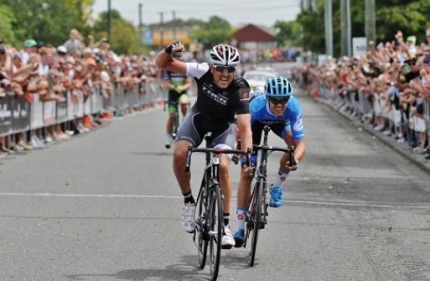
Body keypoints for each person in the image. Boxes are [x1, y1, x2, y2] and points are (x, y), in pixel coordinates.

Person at [155, 42, 253, 249]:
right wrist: (168, 50)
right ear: (212, 67)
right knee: (180, 154)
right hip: (199, 119)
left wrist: (247, 157)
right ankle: (189, 202)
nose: (225, 74)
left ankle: (225, 224)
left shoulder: (241, 87)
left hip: (224, 127)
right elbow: (162, 64)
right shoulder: (201, 71)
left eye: (230, 69)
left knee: (224, 167)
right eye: (220, 68)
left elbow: (245, 128)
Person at [233, 76, 307, 247]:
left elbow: (301, 143)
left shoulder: (293, 107)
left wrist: (294, 158)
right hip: (255, 125)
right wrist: (241, 152)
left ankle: (276, 189)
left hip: (279, 123)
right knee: (247, 172)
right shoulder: (255, 106)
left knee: (292, 149)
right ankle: (239, 228)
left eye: (284, 100)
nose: (280, 105)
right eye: (275, 101)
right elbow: (242, 134)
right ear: (267, 98)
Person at [161, 52, 192, 148]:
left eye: (180, 58)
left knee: (184, 103)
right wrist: (174, 87)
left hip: (182, 92)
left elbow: (188, 83)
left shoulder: (185, 68)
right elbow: (167, 83)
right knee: (171, 116)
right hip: (172, 93)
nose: (179, 60)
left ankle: (184, 119)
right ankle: (168, 137)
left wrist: (182, 88)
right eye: (177, 58)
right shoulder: (167, 68)